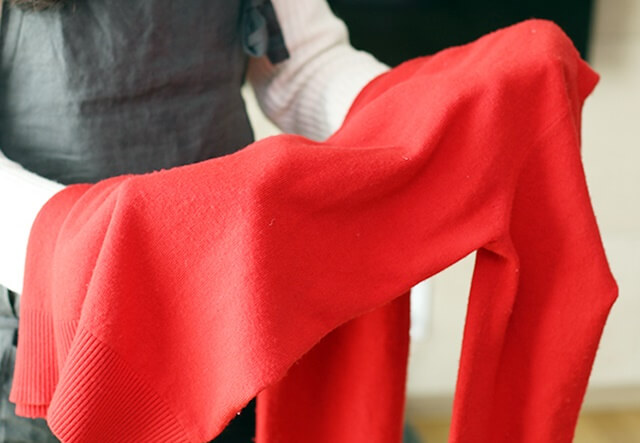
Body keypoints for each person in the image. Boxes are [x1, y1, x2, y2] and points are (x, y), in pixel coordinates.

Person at [0, 0, 389, 440]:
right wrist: (106, 246)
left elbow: (303, 68)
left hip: (230, 317)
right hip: (62, 331)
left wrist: (403, 110)